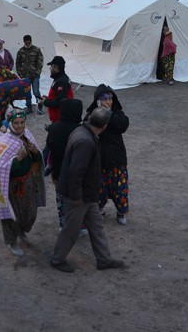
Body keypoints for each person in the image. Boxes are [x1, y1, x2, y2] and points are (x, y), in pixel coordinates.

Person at [50, 107, 124, 273]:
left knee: (96, 227)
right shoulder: (85, 141)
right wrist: (76, 197)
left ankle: (104, 259)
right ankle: (57, 259)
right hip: (78, 196)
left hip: (87, 195)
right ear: (104, 126)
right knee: (71, 230)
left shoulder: (82, 132)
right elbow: (75, 172)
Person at [0, 107, 46, 257]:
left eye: (22, 122)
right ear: (10, 123)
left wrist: (34, 152)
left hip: (27, 182)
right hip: (10, 186)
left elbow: (37, 159)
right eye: (16, 123)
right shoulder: (2, 140)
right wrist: (17, 159)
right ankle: (11, 241)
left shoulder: (26, 134)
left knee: (29, 212)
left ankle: (21, 231)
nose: (20, 126)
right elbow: (0, 167)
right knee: (10, 215)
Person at [86, 85, 131, 225]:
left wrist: (109, 114)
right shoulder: (91, 113)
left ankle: (121, 211)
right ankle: (100, 210)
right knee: (99, 188)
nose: (108, 102)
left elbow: (123, 125)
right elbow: (86, 126)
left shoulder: (117, 113)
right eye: (105, 99)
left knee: (120, 188)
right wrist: (99, 114)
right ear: (98, 100)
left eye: (110, 98)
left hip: (116, 157)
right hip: (99, 159)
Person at [45, 98, 84, 229]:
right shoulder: (81, 130)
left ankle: (64, 224)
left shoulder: (54, 128)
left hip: (58, 171)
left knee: (61, 199)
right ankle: (80, 225)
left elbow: (49, 148)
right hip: (79, 173)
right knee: (79, 199)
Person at [40, 55, 74, 124]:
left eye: (51, 66)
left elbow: (59, 102)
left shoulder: (62, 81)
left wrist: (45, 102)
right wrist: (48, 98)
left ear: (56, 67)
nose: (50, 69)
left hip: (60, 119)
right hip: (57, 118)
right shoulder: (59, 78)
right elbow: (57, 96)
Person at [15, 34, 44, 115]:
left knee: (36, 92)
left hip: (35, 76)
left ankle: (40, 107)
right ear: (24, 41)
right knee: (27, 93)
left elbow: (40, 62)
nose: (27, 42)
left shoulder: (36, 50)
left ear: (31, 40)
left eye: (29, 41)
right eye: (26, 41)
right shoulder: (20, 51)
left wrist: (37, 72)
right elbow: (18, 63)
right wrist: (20, 74)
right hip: (25, 76)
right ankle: (29, 108)